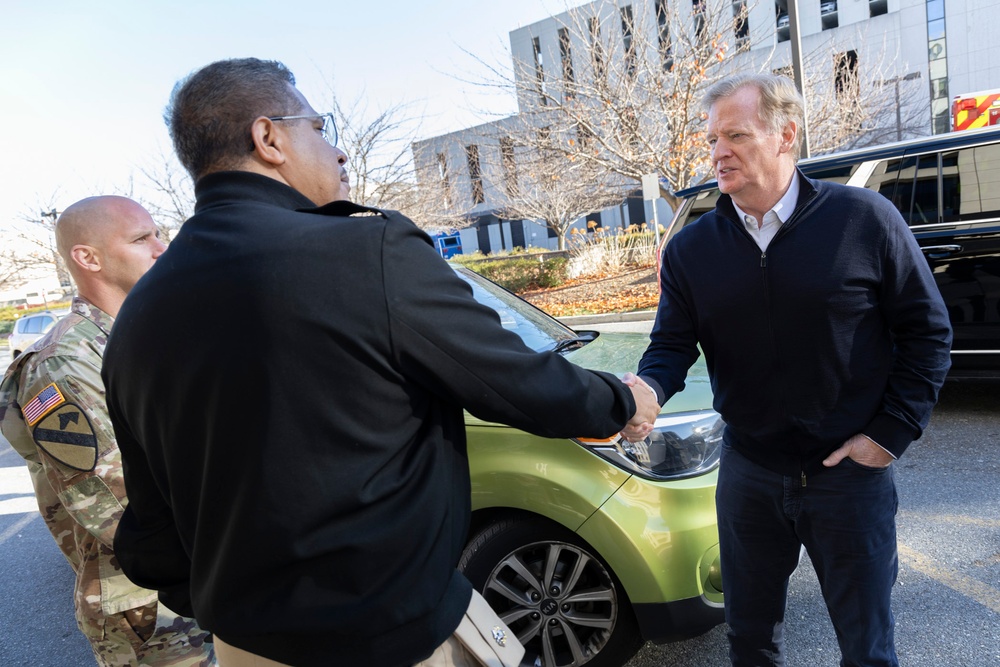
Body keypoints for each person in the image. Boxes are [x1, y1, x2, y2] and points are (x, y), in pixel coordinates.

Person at [101, 58, 659, 667]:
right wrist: (624, 402)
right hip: (392, 635)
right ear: (269, 139)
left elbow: (151, 536)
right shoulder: (364, 250)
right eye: (319, 127)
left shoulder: (134, 321)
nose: (339, 152)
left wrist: (237, 603)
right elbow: (520, 382)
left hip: (244, 646)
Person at [624, 73, 952, 667]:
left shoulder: (864, 219)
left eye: (736, 135)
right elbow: (671, 346)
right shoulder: (692, 250)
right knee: (749, 642)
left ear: (785, 135)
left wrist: (890, 434)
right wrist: (644, 391)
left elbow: (927, 332)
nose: (719, 152)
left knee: (868, 647)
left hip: (847, 478)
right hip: (749, 474)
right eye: (713, 138)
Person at [0, 196, 215, 667]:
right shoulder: (62, 362)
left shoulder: (147, 335)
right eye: (142, 238)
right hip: (150, 609)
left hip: (209, 582)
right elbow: (112, 501)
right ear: (88, 257)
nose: (163, 247)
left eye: (160, 233)